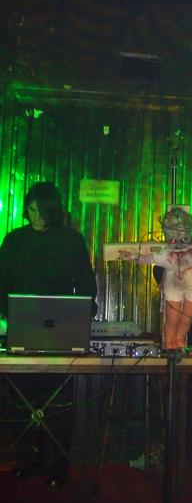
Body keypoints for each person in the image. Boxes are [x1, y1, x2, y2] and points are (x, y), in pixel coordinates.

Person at [0, 181, 97, 487]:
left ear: (52, 211)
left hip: (61, 332)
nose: (35, 217)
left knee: (58, 401)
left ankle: (58, 464)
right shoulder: (14, 240)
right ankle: (28, 459)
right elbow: (2, 282)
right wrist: (4, 317)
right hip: (21, 328)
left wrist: (82, 315)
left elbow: (86, 283)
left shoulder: (71, 240)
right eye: (31, 210)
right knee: (22, 398)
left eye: (41, 211)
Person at [119, 206, 192, 356]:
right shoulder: (166, 254)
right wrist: (131, 256)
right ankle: (170, 341)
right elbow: (146, 259)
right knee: (172, 320)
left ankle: (179, 338)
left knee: (186, 319)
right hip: (173, 290)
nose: (178, 242)